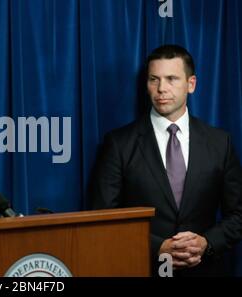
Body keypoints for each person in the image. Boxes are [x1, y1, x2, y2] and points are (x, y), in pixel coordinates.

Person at [91, 44, 242, 276]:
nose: (162, 88)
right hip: (142, 268)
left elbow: (238, 214)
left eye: (172, 79)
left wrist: (206, 243)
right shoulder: (119, 144)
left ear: (191, 84)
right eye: (154, 79)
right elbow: (103, 218)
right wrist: (158, 247)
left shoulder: (221, 143)